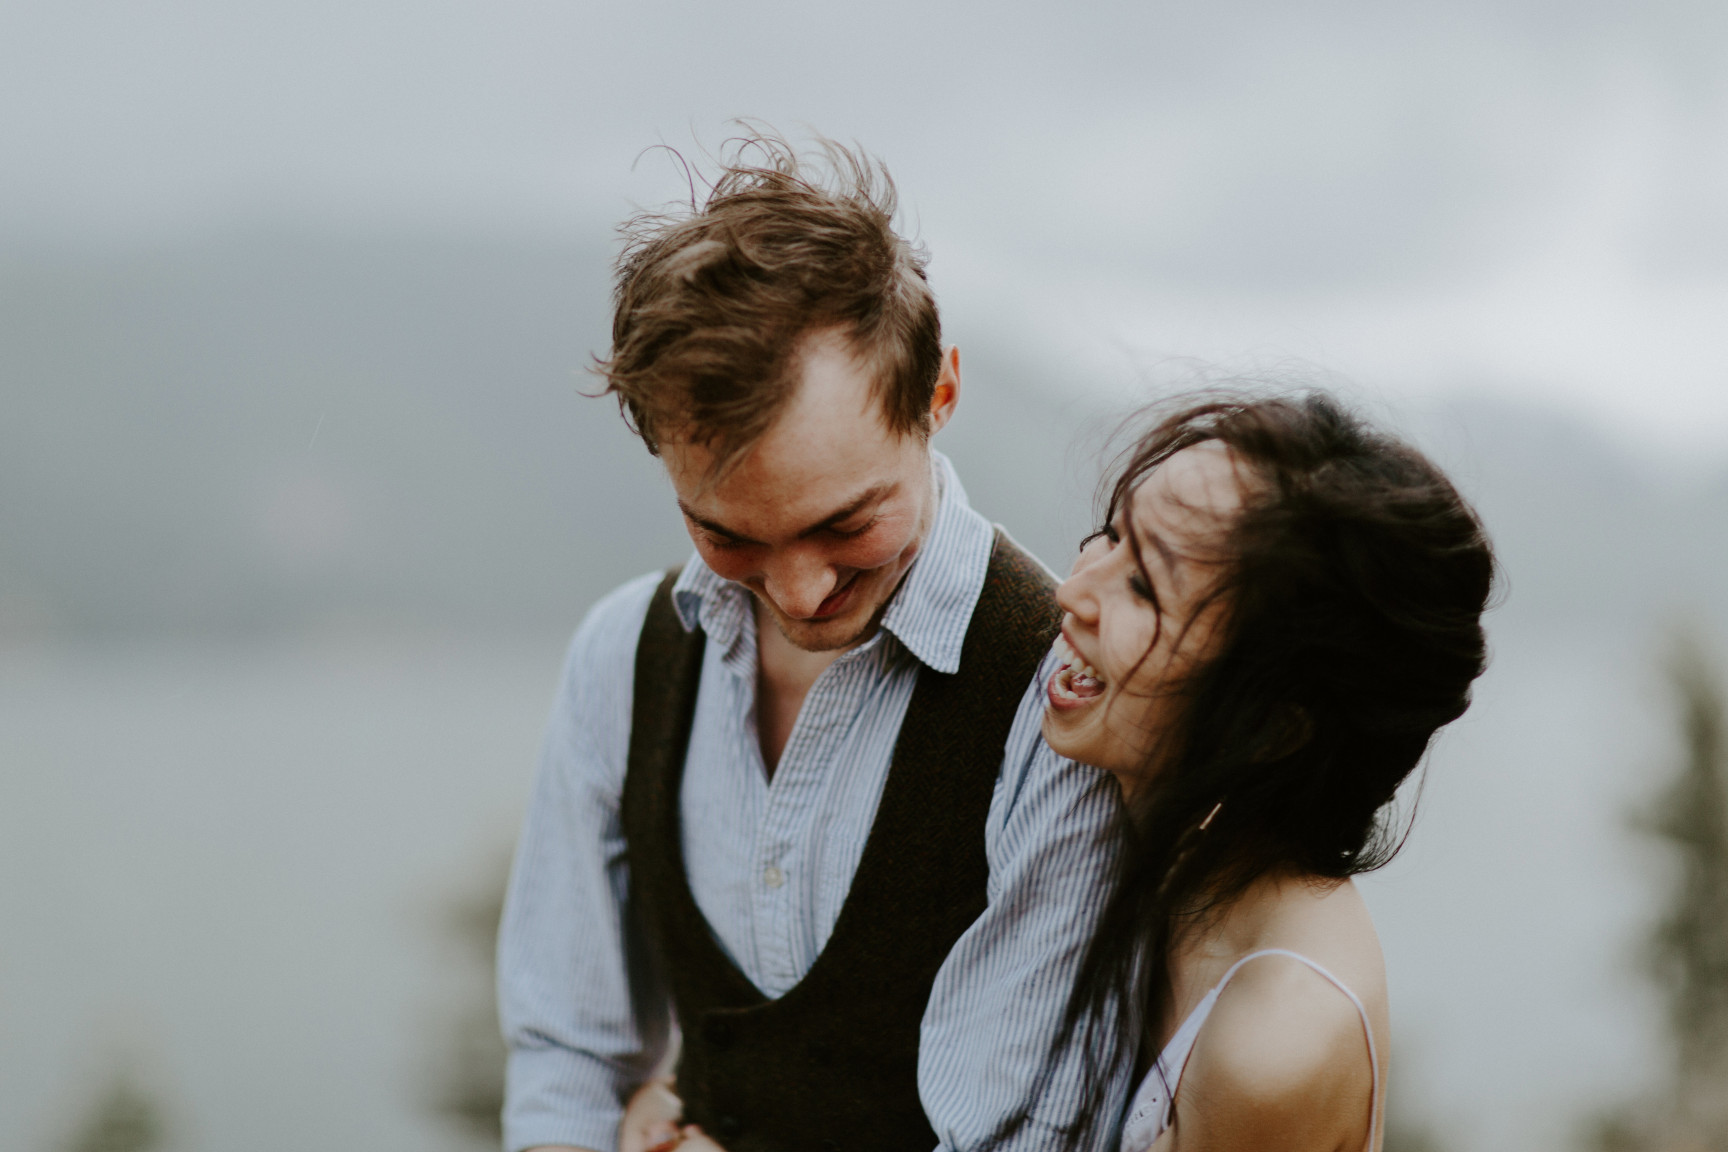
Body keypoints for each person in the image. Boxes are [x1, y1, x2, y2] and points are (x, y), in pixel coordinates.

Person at [495, 133, 1122, 1152]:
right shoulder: (621, 659)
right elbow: (564, 1056)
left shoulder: (1059, 696)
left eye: (846, 523)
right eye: (728, 533)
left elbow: (1033, 1136)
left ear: (940, 394)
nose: (799, 589)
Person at [1014, 392, 1494, 1152]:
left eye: (1143, 587)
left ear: (1273, 727)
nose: (1074, 592)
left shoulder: (1274, 1040)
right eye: (1110, 536)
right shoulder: (1153, 849)